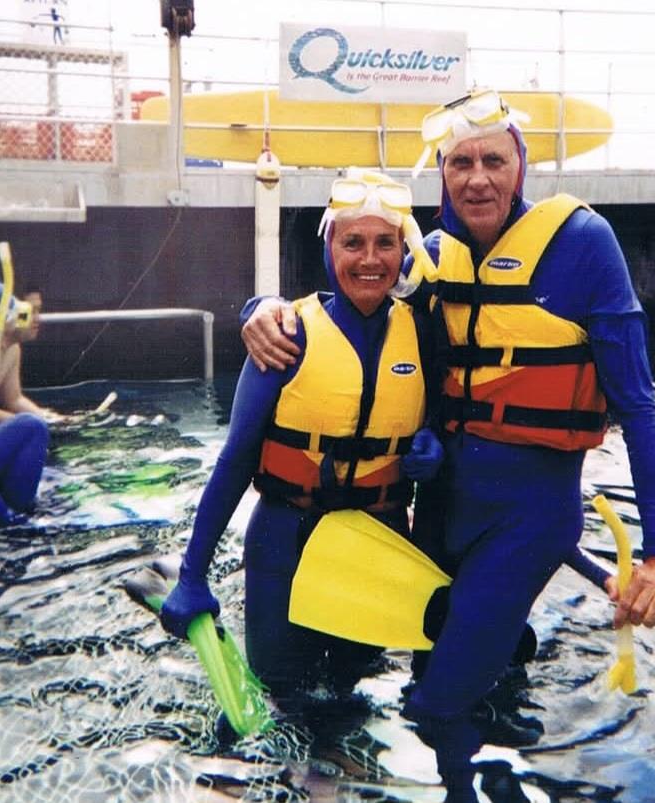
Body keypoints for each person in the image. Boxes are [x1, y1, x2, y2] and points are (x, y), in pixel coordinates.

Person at [239, 88, 655, 799]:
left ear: (522, 166)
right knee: (426, 672)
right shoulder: (427, 257)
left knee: (434, 706)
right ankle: (509, 657)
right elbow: (346, 308)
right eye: (460, 162)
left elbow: (640, 408)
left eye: (494, 159)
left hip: (526, 521)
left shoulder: (583, 245)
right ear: (442, 174)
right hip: (441, 517)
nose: (478, 177)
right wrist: (259, 308)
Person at [160, 171, 443, 732]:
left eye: (385, 243)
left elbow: (430, 411)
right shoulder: (286, 333)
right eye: (352, 243)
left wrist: (432, 442)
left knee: (350, 697)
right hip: (285, 541)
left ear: (403, 252)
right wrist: (195, 574)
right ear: (328, 247)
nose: (369, 259)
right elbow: (236, 459)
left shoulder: (424, 330)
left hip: (377, 540)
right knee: (280, 699)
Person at [0, 292, 49, 525]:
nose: (32, 319)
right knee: (31, 427)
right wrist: (18, 422)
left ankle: (19, 511)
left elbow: (14, 397)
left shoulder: (11, 348)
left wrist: (49, 417)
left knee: (35, 427)